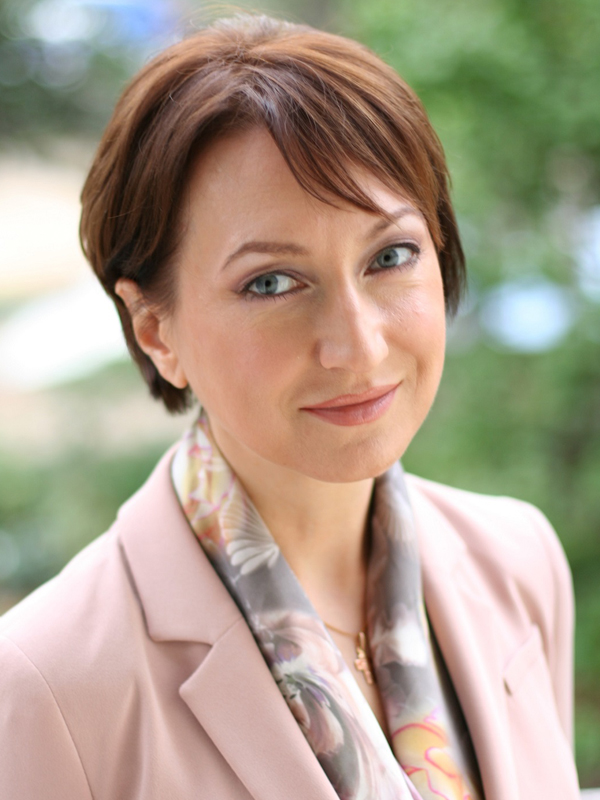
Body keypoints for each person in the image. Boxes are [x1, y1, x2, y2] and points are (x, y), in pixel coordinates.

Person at [0, 14, 580, 800]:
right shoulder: (46, 686)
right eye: (271, 283)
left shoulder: (517, 561)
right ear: (155, 329)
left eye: (391, 256)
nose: (359, 346)